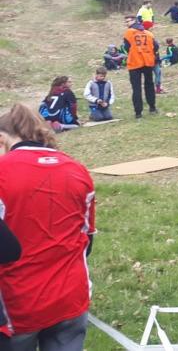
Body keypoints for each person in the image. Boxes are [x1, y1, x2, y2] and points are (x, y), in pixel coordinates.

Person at [0, 104, 96, 350]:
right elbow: (87, 238)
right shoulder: (76, 169)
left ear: (2, 139)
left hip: (18, 303)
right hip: (70, 295)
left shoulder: (3, 172)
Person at [122, 18, 158, 119]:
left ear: (134, 21)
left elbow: (126, 47)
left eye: (128, 21)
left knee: (136, 88)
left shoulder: (128, 33)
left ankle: (138, 113)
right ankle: (152, 107)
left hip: (134, 63)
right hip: (147, 62)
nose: (126, 23)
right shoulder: (149, 33)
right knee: (149, 85)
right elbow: (156, 46)